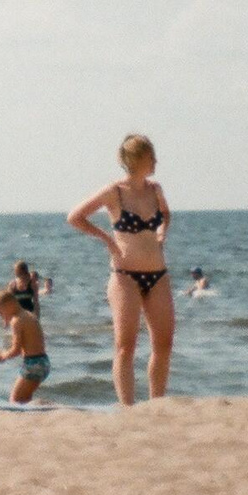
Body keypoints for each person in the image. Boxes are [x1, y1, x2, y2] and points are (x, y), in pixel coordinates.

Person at [67, 133, 174, 405]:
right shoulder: (113, 192)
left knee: (163, 344)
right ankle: (128, 408)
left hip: (157, 274)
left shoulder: (155, 189)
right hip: (125, 275)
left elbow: (166, 215)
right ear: (137, 159)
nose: (156, 161)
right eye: (151, 156)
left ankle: (157, 405)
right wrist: (107, 240)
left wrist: (161, 234)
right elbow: (75, 217)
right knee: (126, 346)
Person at [0, 287, 51, 403]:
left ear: (7, 306)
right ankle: (41, 406)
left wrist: (2, 356)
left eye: (0, 313)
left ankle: (45, 404)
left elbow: (16, 350)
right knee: (24, 398)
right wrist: (7, 319)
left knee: (15, 400)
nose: (1, 317)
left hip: (33, 365)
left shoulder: (17, 321)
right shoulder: (28, 315)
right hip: (43, 362)